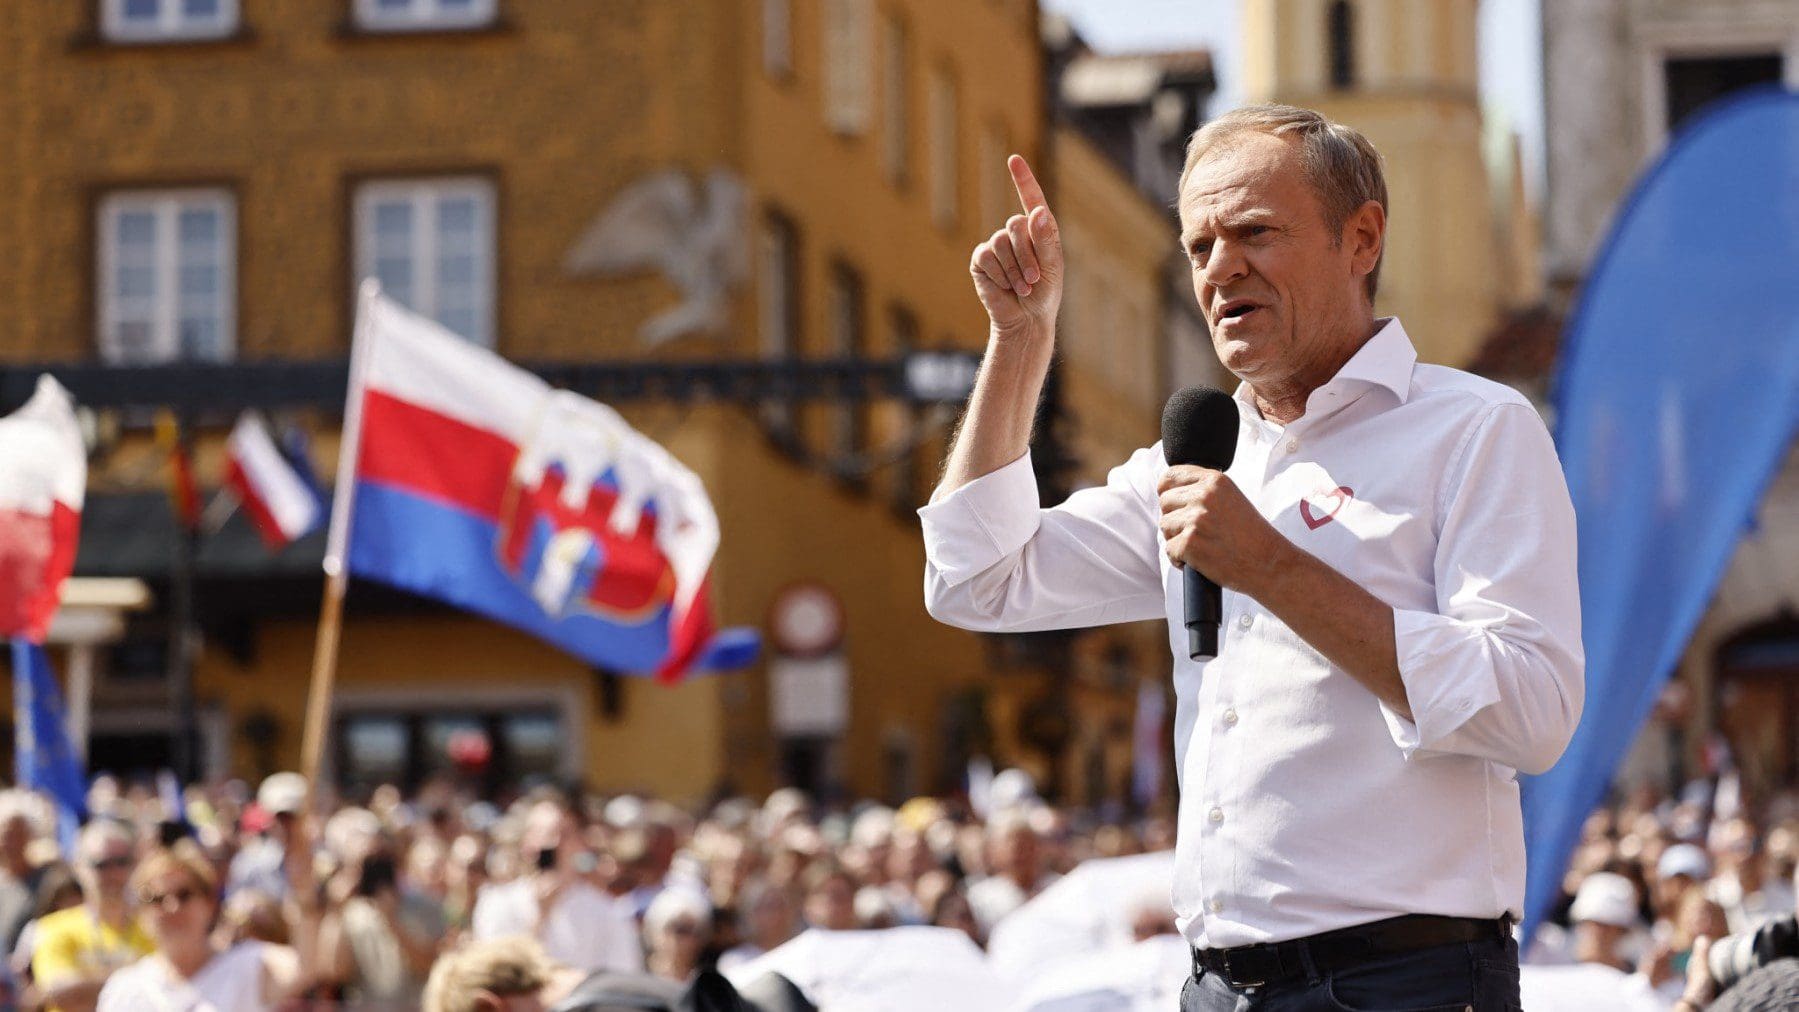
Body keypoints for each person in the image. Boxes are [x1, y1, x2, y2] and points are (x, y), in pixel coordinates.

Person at [921, 103, 1584, 1010]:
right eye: (1197, 247)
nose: (1220, 267)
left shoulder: (1474, 430)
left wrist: (1270, 567)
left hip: (1404, 984)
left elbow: (1530, 709)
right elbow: (974, 580)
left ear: (1361, 238)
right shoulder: (1193, 459)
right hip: (1219, 986)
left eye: (1254, 233)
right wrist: (1021, 340)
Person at [95, 840, 319, 1011]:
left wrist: (305, 897)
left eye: (184, 895)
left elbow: (306, 968)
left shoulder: (249, 964)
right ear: (141, 913)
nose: (172, 907)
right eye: (156, 899)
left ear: (209, 903)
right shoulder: (124, 989)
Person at [470, 799, 643, 974]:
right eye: (543, 834)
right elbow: (495, 971)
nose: (555, 843)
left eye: (564, 834)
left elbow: (621, 976)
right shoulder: (497, 903)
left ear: (581, 843)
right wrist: (540, 917)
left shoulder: (607, 912)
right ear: (526, 843)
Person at [32, 820, 152, 1011]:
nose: (113, 873)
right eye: (101, 864)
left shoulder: (154, 926)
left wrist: (88, 983)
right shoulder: (52, 927)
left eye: (121, 862)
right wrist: (143, 982)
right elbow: (66, 996)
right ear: (79, 868)